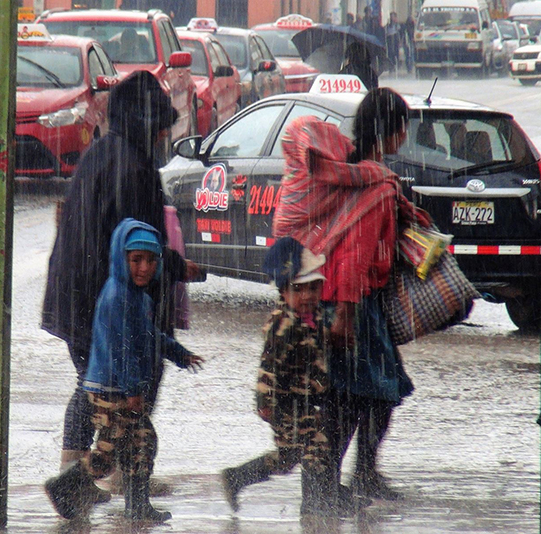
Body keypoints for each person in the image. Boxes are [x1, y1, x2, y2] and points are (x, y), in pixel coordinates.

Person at [41, 71, 201, 501]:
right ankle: (116, 484)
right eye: (162, 124)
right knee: (126, 390)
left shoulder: (104, 153)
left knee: (92, 386)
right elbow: (137, 246)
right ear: (146, 123)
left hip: (78, 297)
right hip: (101, 303)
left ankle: (80, 476)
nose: (166, 133)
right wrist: (176, 266)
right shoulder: (133, 167)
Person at [273, 88, 432, 502]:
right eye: (403, 126)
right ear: (393, 131)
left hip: (353, 302)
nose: (405, 135)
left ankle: (345, 479)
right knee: (361, 396)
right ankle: (333, 485)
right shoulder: (375, 185)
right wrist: (345, 313)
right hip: (353, 303)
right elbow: (354, 255)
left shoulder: (359, 171)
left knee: (363, 394)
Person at [44, 219, 204, 523]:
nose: (144, 268)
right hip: (109, 390)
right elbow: (122, 350)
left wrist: (180, 355)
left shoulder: (134, 296)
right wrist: (132, 391)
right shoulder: (119, 297)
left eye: (150, 260)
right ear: (122, 258)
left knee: (140, 442)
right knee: (111, 451)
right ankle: (66, 486)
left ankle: (136, 505)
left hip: (115, 388)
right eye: (136, 260)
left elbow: (149, 336)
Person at [220, 237, 342, 517]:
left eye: (314, 288)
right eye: (300, 290)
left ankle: (239, 478)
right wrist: (265, 401)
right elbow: (269, 367)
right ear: (284, 292)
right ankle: (314, 506)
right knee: (310, 450)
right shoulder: (283, 324)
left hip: (306, 401)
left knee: (296, 455)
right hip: (284, 404)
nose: (309, 296)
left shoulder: (315, 317)